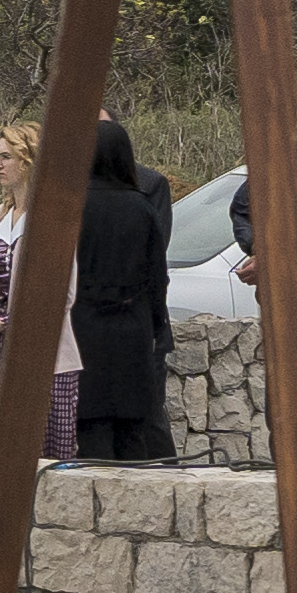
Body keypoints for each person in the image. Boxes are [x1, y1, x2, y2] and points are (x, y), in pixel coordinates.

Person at [65, 119, 176, 464]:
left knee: (90, 426)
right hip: (132, 328)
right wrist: (157, 325)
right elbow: (158, 277)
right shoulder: (141, 208)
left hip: (82, 326)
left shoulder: (71, 208)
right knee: (132, 431)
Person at [0, 117, 67, 467]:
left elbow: (63, 296)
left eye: (6, 156)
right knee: (8, 453)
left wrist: (5, 322)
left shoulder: (50, 215)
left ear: (29, 159)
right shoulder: (2, 212)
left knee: (48, 459)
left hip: (45, 353)